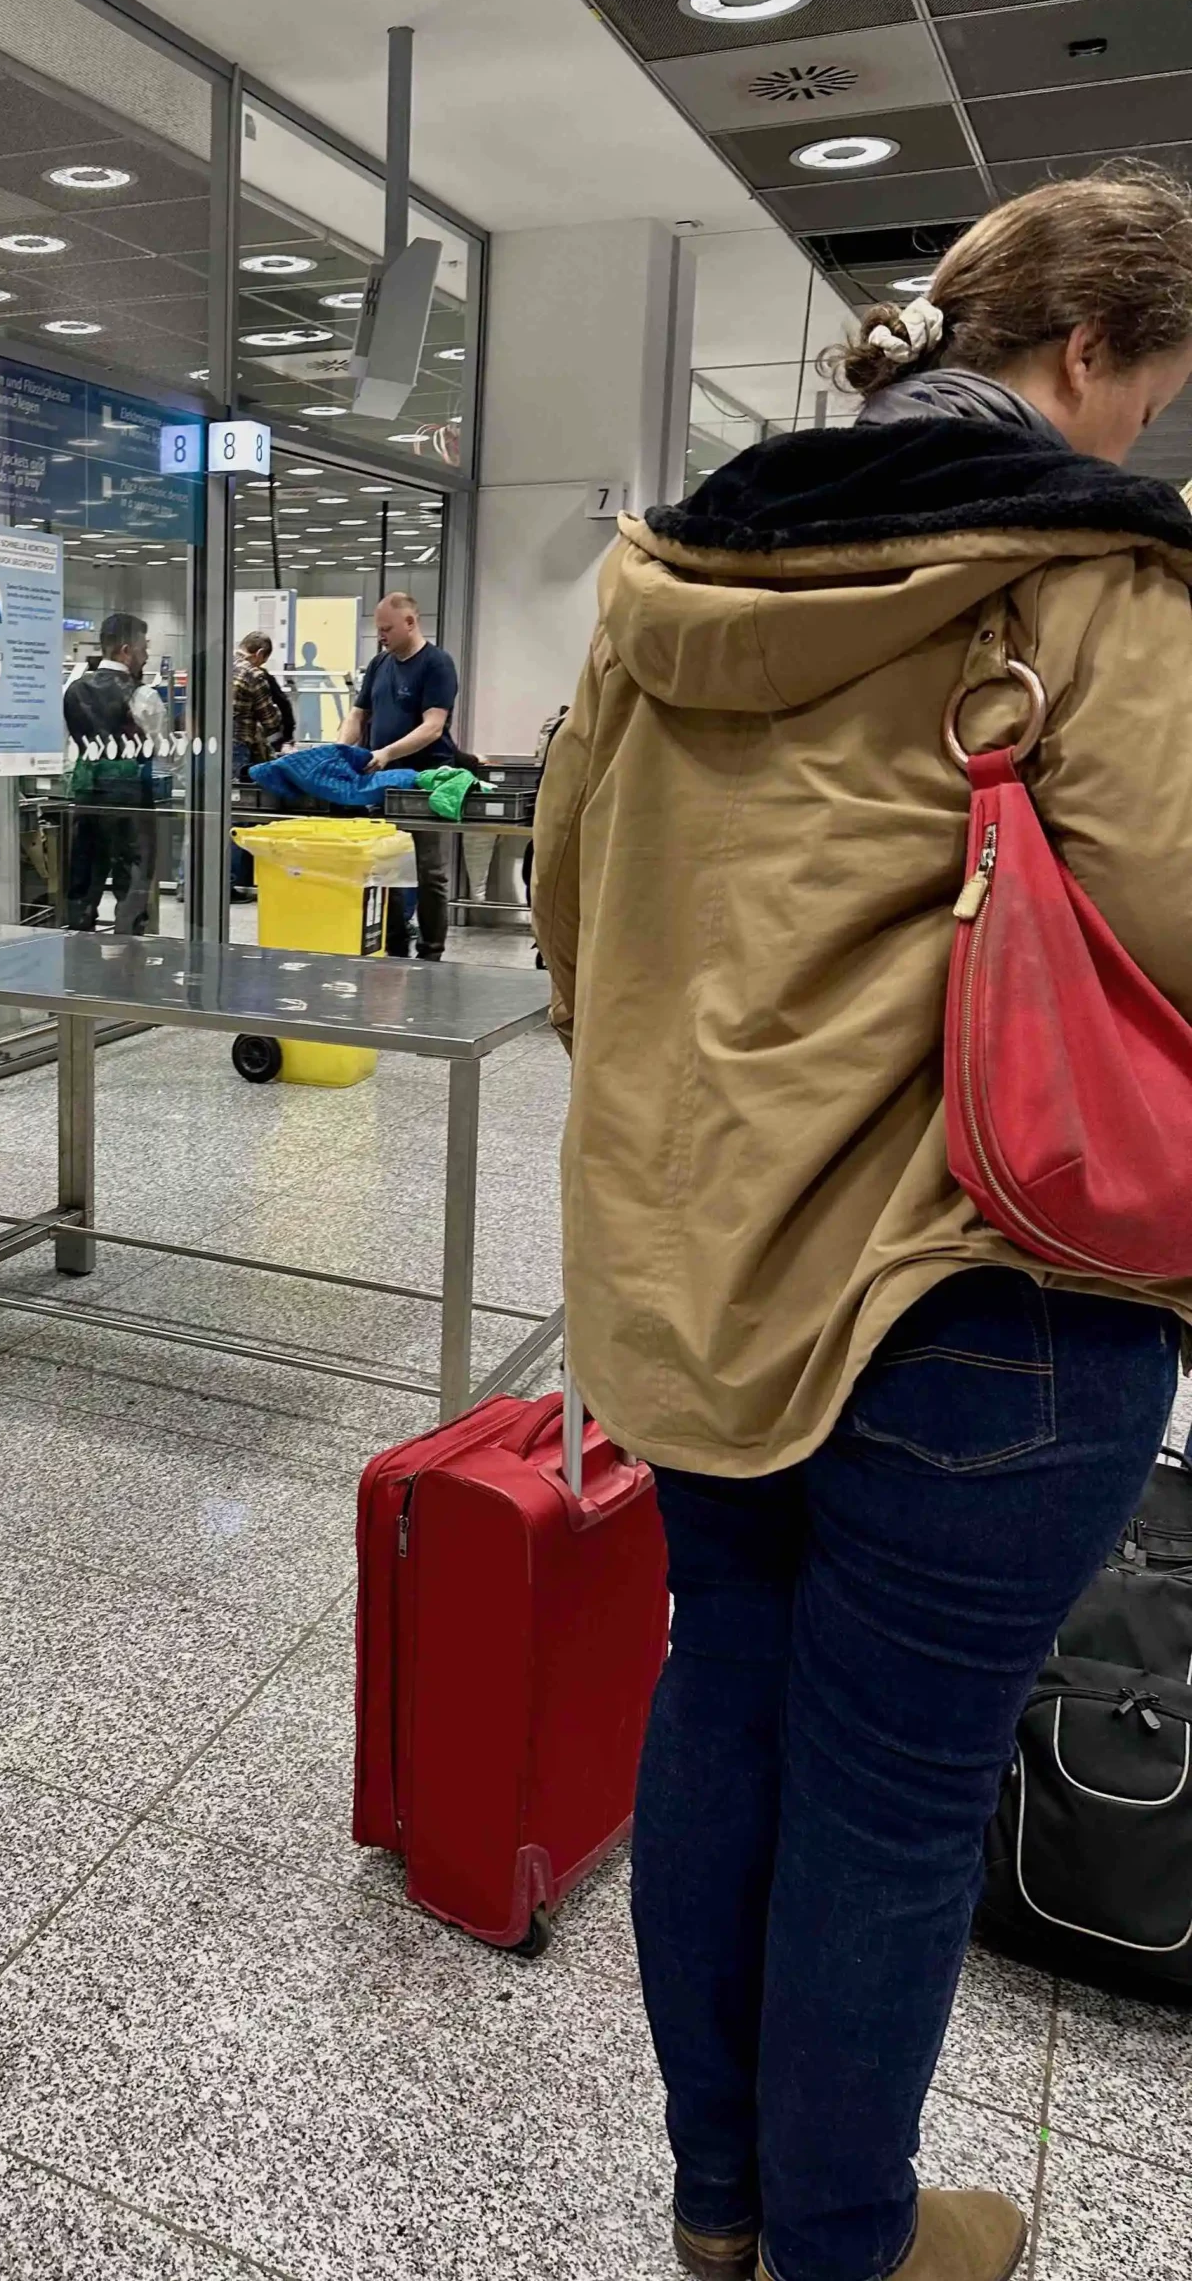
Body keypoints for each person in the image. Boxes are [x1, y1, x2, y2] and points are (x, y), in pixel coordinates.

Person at [532, 169, 1192, 2281]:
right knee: (893, 1801)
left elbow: (566, 913)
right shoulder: (1091, 587)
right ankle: (845, 2243)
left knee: (719, 1699)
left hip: (695, 1278)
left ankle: (723, 2210)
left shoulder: (661, 582)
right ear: (1087, 353)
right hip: (982, 1280)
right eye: (1155, 392)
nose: (1147, 442)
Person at [341, 590, 464, 959]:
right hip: (383, 780)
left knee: (429, 872)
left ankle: (431, 952)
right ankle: (394, 946)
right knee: (387, 867)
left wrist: (386, 753)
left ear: (410, 622)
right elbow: (358, 714)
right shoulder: (381, 664)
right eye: (378, 629)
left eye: (387, 628)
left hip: (424, 780)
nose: (381, 635)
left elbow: (433, 727)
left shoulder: (437, 664)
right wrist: (342, 748)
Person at [62, 610, 157, 935]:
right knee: (132, 881)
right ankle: (129, 960)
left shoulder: (73, 690)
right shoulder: (143, 695)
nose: (147, 655)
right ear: (126, 650)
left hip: (87, 794)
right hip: (132, 800)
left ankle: (77, 950)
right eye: (144, 648)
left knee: (85, 875)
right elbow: (160, 750)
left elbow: (69, 746)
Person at [230, 629, 294, 899]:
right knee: (234, 814)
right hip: (236, 750)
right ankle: (229, 885)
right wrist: (281, 740)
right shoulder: (253, 674)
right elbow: (270, 720)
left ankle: (189, 884)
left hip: (206, 749)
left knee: (204, 815)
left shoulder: (219, 665)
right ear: (259, 655)